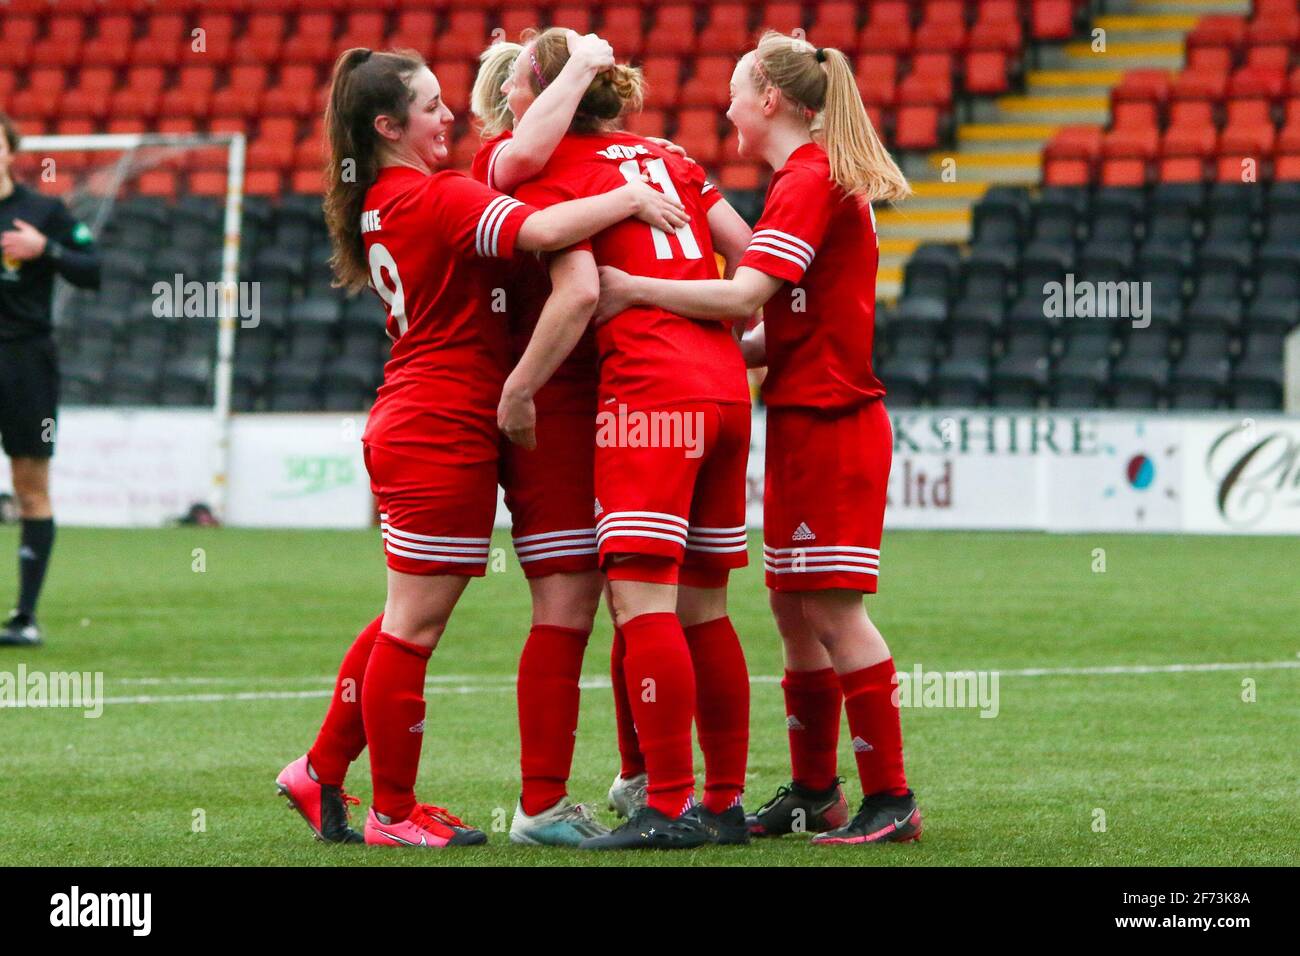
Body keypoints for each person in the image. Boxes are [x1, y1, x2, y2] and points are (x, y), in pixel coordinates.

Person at [274, 47, 688, 850]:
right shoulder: (435, 196)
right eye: (429, 107)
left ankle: (322, 769)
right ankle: (392, 812)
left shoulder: (388, 197)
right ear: (388, 126)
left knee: (406, 616)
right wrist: (630, 193)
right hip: (440, 421)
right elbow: (543, 225)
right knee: (412, 627)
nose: (449, 117)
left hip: (429, 414)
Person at [595, 31, 923, 846]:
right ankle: (816, 790)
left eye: (737, 91)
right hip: (807, 411)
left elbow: (746, 292)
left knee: (833, 612)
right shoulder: (805, 177)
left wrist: (633, 289)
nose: (728, 106)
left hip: (834, 419)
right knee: (790, 606)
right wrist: (715, 350)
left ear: (770, 100)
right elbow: (783, 325)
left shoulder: (808, 179)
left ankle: (892, 798)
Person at [494, 27, 756, 850]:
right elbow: (753, 266)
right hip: (725, 387)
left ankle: (667, 804)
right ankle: (722, 800)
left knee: (642, 605)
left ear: (545, 91)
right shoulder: (671, 154)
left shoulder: (546, 169)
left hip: (648, 392)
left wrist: (520, 389)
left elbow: (575, 291)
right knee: (704, 611)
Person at [0, 111, 101, 648]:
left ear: (10, 150)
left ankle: (24, 616)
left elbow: (94, 269)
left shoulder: (42, 211)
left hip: (24, 361)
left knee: (31, 488)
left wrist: (48, 249)